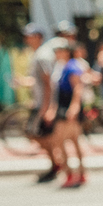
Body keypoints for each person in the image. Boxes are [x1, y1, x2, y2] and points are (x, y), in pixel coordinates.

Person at [17, 23, 63, 182]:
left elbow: (48, 83)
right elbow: (39, 81)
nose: (26, 39)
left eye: (29, 36)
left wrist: (47, 107)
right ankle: (56, 162)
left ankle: (57, 162)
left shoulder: (43, 55)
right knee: (38, 134)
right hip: (40, 102)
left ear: (38, 37)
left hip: (44, 104)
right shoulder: (38, 54)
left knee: (36, 133)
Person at [44, 41, 87, 189]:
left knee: (59, 141)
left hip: (68, 109)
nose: (56, 53)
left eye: (59, 50)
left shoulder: (72, 66)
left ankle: (70, 174)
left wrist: (74, 107)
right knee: (73, 140)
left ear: (67, 51)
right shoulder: (63, 66)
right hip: (65, 107)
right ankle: (80, 173)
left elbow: (78, 88)